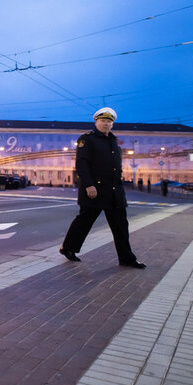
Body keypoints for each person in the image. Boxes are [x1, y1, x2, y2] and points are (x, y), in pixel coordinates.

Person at [59, 107, 145, 268]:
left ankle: (127, 259)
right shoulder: (87, 139)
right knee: (84, 221)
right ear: (96, 122)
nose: (106, 124)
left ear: (112, 124)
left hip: (114, 192)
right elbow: (82, 164)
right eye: (103, 121)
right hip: (95, 190)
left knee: (121, 226)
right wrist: (89, 185)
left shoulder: (114, 142)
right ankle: (68, 248)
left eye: (109, 121)